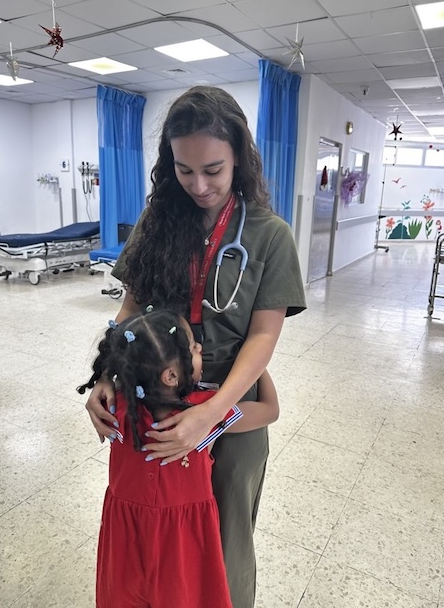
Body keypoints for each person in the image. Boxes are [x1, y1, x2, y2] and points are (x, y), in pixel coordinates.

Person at [84, 85, 307, 607]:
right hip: (157, 399)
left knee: (224, 546)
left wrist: (212, 414)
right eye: (185, 170)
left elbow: (263, 335)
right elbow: (130, 309)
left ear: (239, 158)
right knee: (159, 543)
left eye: (213, 170)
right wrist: (107, 375)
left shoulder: (270, 235)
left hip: (229, 401)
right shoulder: (157, 222)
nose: (199, 185)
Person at [77, 307, 280, 608]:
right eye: (193, 347)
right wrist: (253, 365)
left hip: (125, 543)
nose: (200, 349)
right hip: (183, 548)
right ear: (171, 375)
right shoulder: (200, 420)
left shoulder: (117, 410)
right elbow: (269, 409)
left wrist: (108, 377)